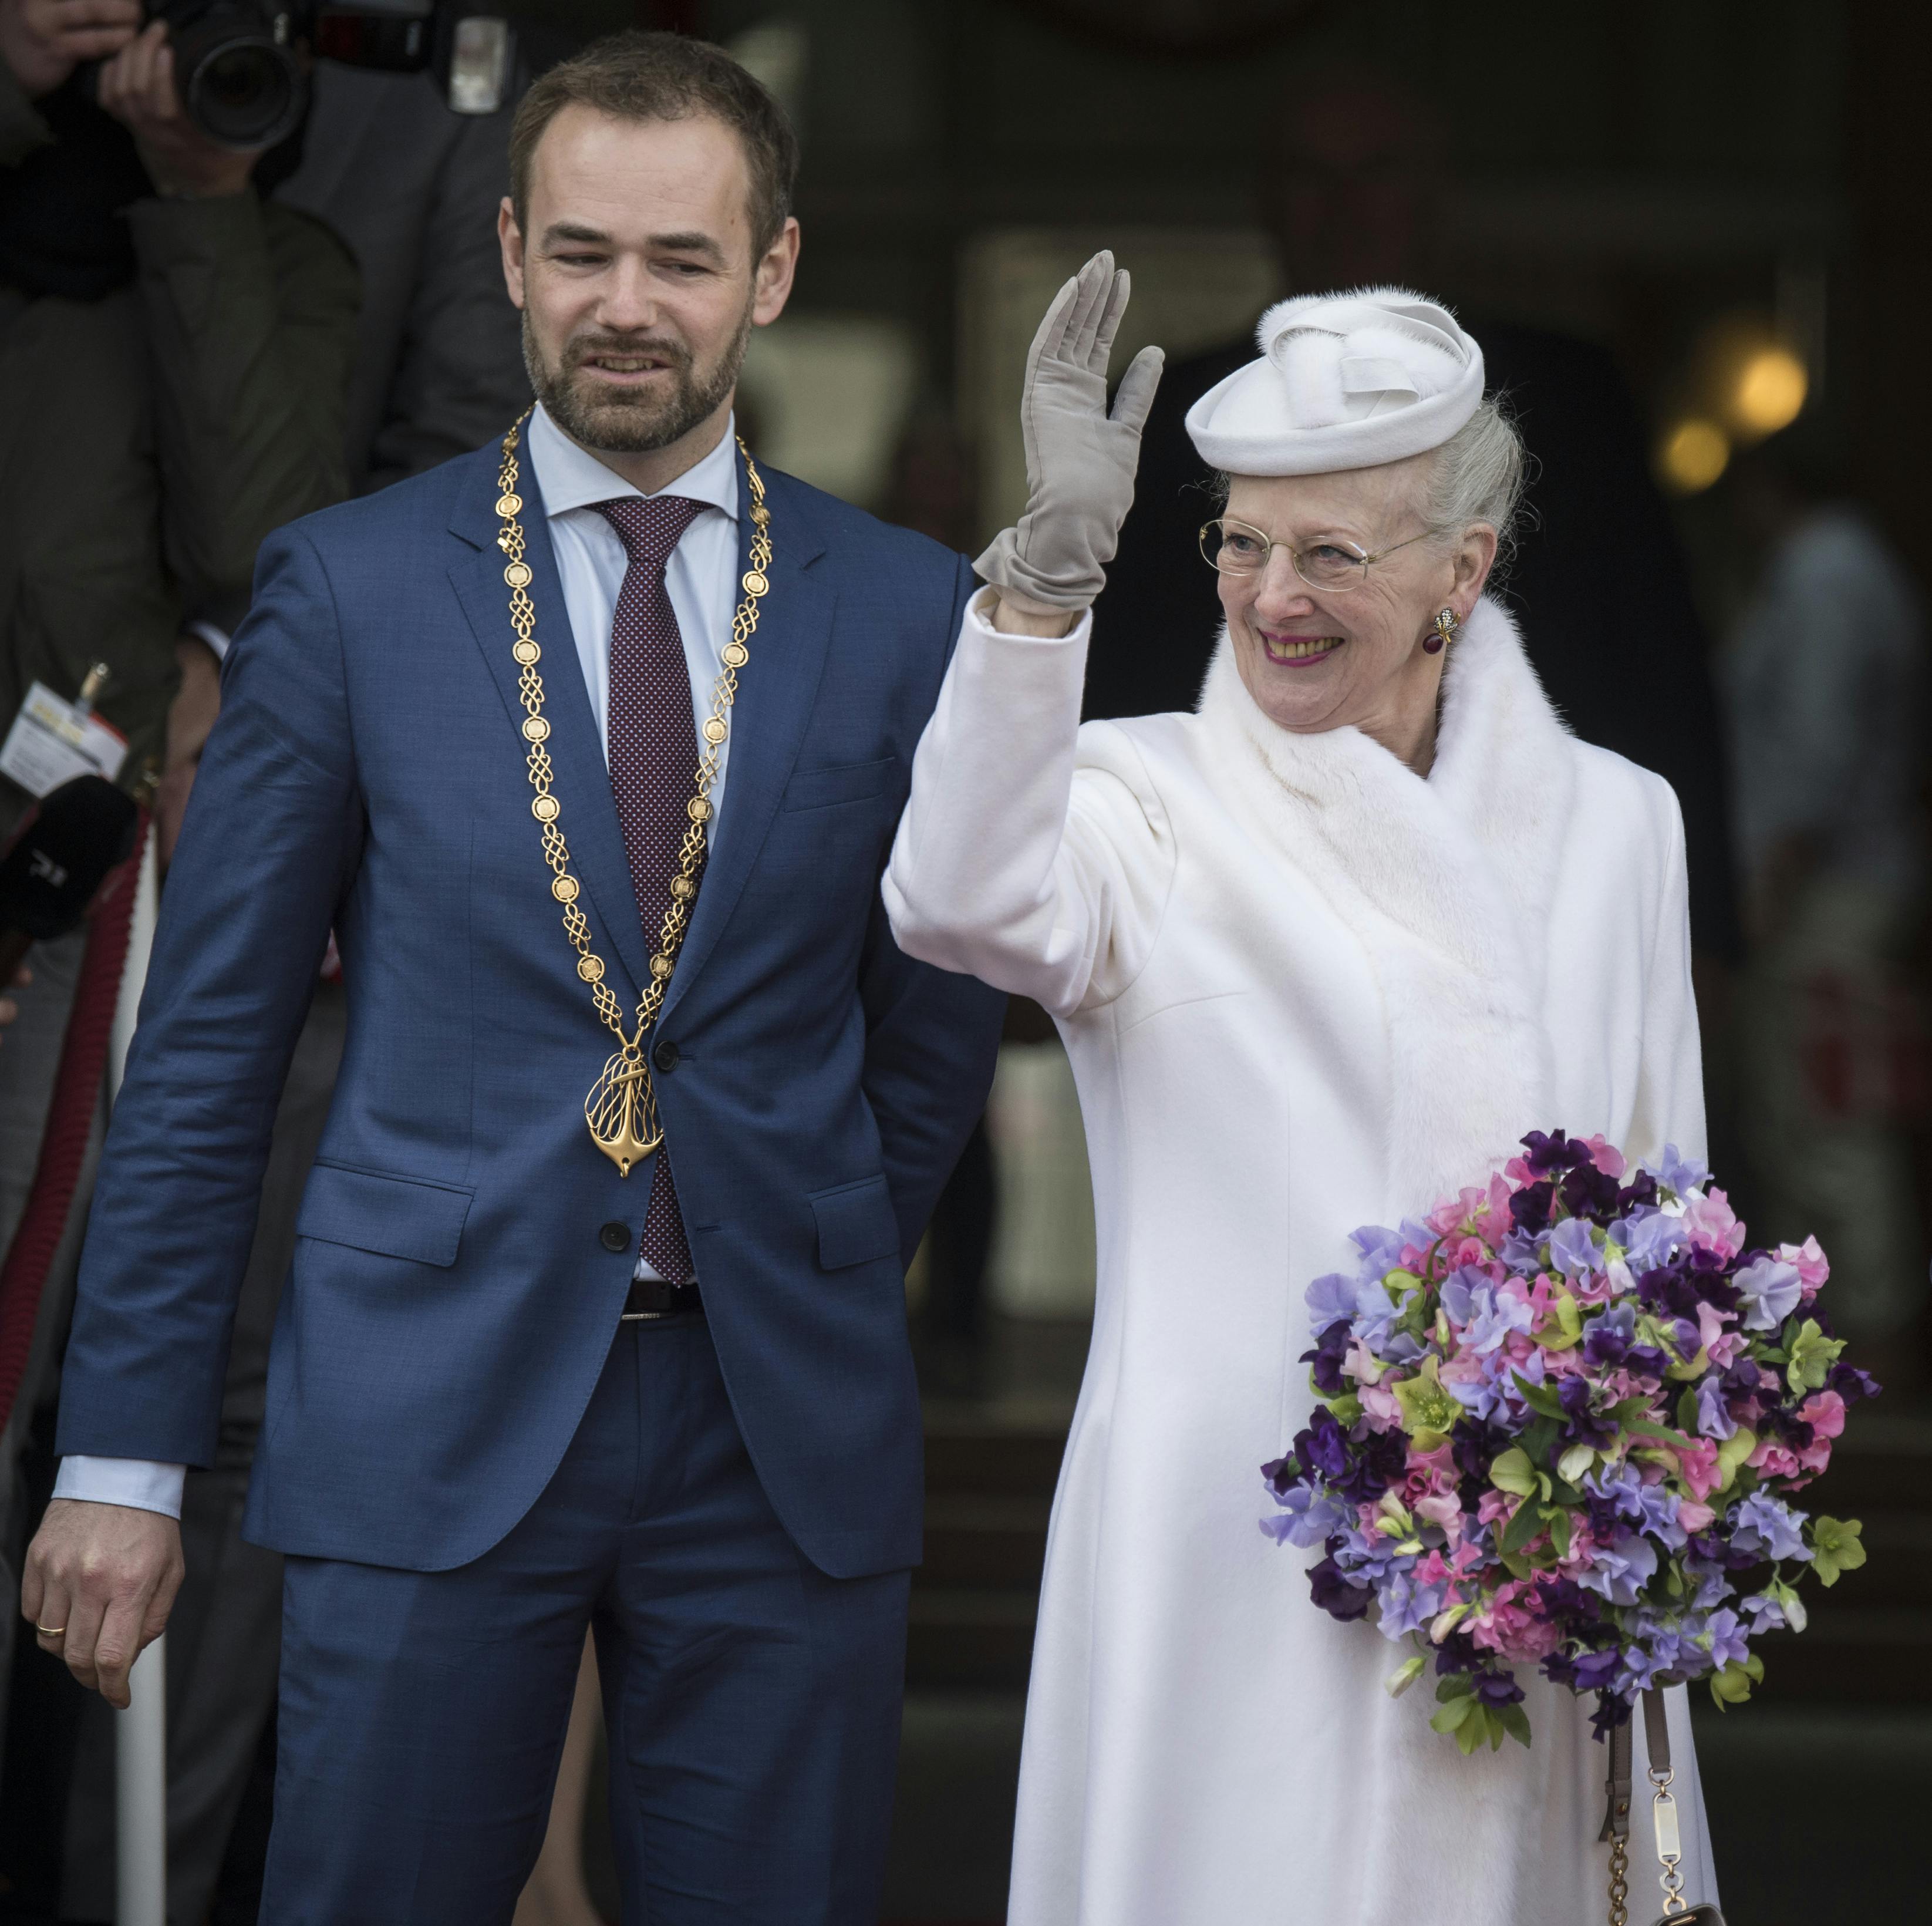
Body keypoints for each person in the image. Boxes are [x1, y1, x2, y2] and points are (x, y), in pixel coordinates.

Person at [24, 29, 1003, 1926]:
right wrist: (125, 1460)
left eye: (682, 261)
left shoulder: (910, 614)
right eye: (581, 254)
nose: (624, 307)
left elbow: (940, 1010)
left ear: (771, 275)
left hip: (775, 1432)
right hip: (419, 1413)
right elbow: (209, 1058)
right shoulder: (346, 589)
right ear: (508, 254)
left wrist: (805, 1237)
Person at [885, 264, 1718, 1923]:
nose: (1272, 596)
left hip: (1532, 1573)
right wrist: (1041, 588)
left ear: (1457, 576)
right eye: (1241, 546)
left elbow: (1664, 1211)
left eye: (1330, 553)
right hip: (1223, 1553)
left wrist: (1651, 1483)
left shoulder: (1620, 822)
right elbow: (953, 901)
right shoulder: (1144, 794)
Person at [1091, 70, 1742, 970]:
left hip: (1534, 901)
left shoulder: (1566, 398)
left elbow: (1656, 665)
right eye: (1313, 177)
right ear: (1270, 203)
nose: (1345, 206)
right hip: (1244, 911)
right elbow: (1128, 673)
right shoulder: (1182, 412)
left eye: (1378, 172)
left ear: (1438, 198)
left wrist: (1699, 934)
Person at [1719, 431, 1928, 1370]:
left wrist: (1769, 879)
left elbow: (1815, 747)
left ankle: (1873, 1333)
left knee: (1827, 1106)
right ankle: (1835, 1335)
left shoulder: (1826, 577)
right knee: (1805, 1104)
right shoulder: (1837, 570)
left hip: (1826, 886)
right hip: (1832, 880)